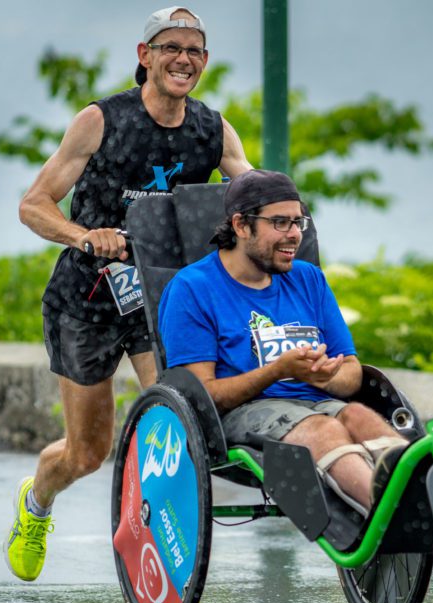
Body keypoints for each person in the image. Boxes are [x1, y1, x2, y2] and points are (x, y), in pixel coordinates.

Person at [5, 6, 253, 582]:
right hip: (86, 300)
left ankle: (162, 560)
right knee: (88, 453)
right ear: (145, 56)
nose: (183, 60)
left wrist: (280, 216)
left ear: (205, 61)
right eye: (171, 48)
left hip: (158, 299)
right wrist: (83, 235)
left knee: (181, 419)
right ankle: (36, 501)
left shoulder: (212, 130)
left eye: (194, 51)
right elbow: (33, 205)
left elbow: (250, 186)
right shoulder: (101, 120)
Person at [158, 170, 407, 512]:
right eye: (280, 223)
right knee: (324, 430)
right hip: (242, 414)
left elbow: (352, 373)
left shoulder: (308, 279)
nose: (294, 235)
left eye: (298, 222)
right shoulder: (193, 288)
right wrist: (277, 371)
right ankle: (389, 515)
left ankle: (424, 496)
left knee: (359, 416)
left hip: (317, 402)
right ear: (241, 225)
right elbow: (202, 396)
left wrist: (324, 376)